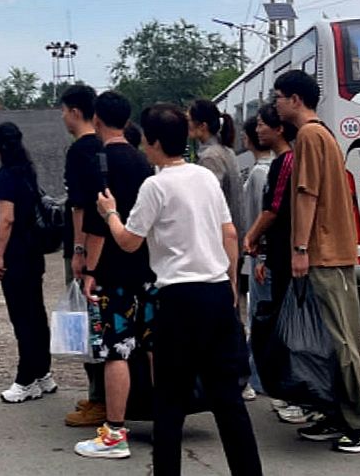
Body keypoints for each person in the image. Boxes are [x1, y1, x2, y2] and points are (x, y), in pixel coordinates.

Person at [96, 104, 263, 476]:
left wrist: (110, 213)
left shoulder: (155, 185)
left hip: (178, 299)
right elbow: (229, 233)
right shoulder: (204, 177)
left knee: (170, 400)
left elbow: (129, 241)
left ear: (154, 142)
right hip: (217, 292)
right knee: (228, 400)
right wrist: (232, 283)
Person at [273, 69, 360, 453]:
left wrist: (300, 248)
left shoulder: (309, 135)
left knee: (341, 343)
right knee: (332, 342)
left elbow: (307, 194)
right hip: (331, 249)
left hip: (324, 252)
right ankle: (338, 415)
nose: (275, 105)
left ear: (295, 99)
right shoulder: (322, 134)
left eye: (278, 97)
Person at [73, 90, 154, 460]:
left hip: (113, 270)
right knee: (151, 346)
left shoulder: (99, 162)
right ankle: (164, 420)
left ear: (97, 120)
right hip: (148, 267)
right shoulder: (144, 161)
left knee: (115, 349)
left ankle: (115, 432)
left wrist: (89, 268)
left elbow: (97, 226)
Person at [0, 121, 58, 403]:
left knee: (22, 319)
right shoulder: (28, 172)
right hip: (33, 254)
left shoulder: (6, 177)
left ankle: (26, 378)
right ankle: (43, 373)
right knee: (36, 315)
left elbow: (6, 218)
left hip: (15, 256)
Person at [60, 82, 108, 427]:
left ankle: (98, 398)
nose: (63, 118)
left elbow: (79, 206)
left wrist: (79, 251)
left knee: (87, 322)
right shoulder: (105, 145)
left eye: (64, 111)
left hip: (86, 245)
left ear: (75, 112)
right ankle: (99, 394)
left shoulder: (79, 151)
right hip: (105, 244)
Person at [239, 106, 286, 401]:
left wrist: (259, 252)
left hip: (261, 254)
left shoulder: (260, 172)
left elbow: (262, 214)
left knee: (260, 316)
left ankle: (256, 376)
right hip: (264, 253)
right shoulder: (271, 168)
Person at [190, 99, 247, 231]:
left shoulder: (210, 157)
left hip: (220, 234)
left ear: (202, 126)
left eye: (189, 120)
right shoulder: (226, 150)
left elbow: (209, 203)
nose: (186, 124)